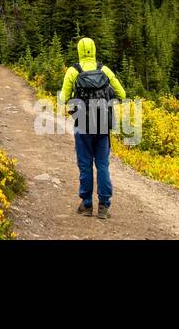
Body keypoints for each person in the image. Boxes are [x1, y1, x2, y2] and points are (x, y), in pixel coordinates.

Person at [58, 36, 126, 219]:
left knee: (85, 165)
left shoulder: (73, 71)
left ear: (79, 51)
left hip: (82, 125)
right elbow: (122, 93)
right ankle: (104, 206)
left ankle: (87, 205)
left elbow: (63, 99)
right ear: (94, 50)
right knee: (103, 165)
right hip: (103, 125)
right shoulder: (103, 69)